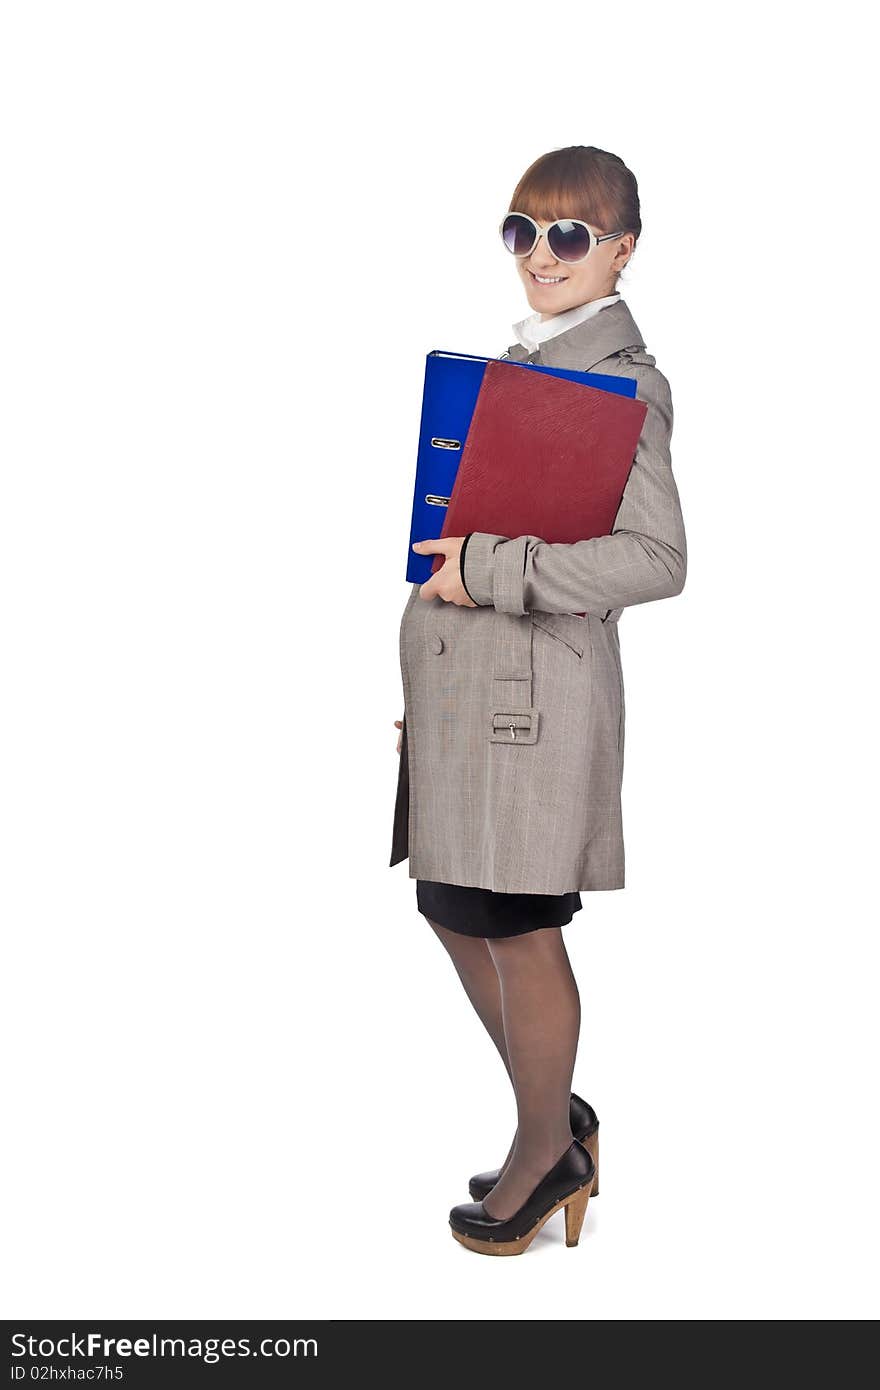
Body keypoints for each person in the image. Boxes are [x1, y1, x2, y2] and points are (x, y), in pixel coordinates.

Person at [389, 145, 687, 1256]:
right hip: (474, 690)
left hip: (536, 700)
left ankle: (542, 1149)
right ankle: (550, 1120)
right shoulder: (520, 366)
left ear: (621, 248)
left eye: (569, 234)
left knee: (515, 925)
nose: (542, 256)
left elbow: (657, 558)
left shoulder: (622, 385)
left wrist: (496, 567)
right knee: (450, 906)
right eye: (523, 231)